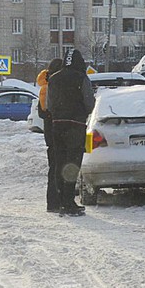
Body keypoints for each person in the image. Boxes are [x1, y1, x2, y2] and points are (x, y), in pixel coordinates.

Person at [47, 48, 95, 216]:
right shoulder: (81, 78)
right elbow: (89, 103)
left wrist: (59, 114)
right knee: (72, 164)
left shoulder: (53, 78)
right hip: (76, 125)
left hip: (57, 125)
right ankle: (69, 202)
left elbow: (50, 105)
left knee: (59, 162)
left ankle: (60, 202)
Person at [36, 57, 63, 212]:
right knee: (57, 168)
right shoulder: (51, 87)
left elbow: (42, 113)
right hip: (56, 132)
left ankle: (52, 203)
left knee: (53, 167)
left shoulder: (43, 87)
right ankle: (56, 202)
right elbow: (50, 111)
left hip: (49, 134)